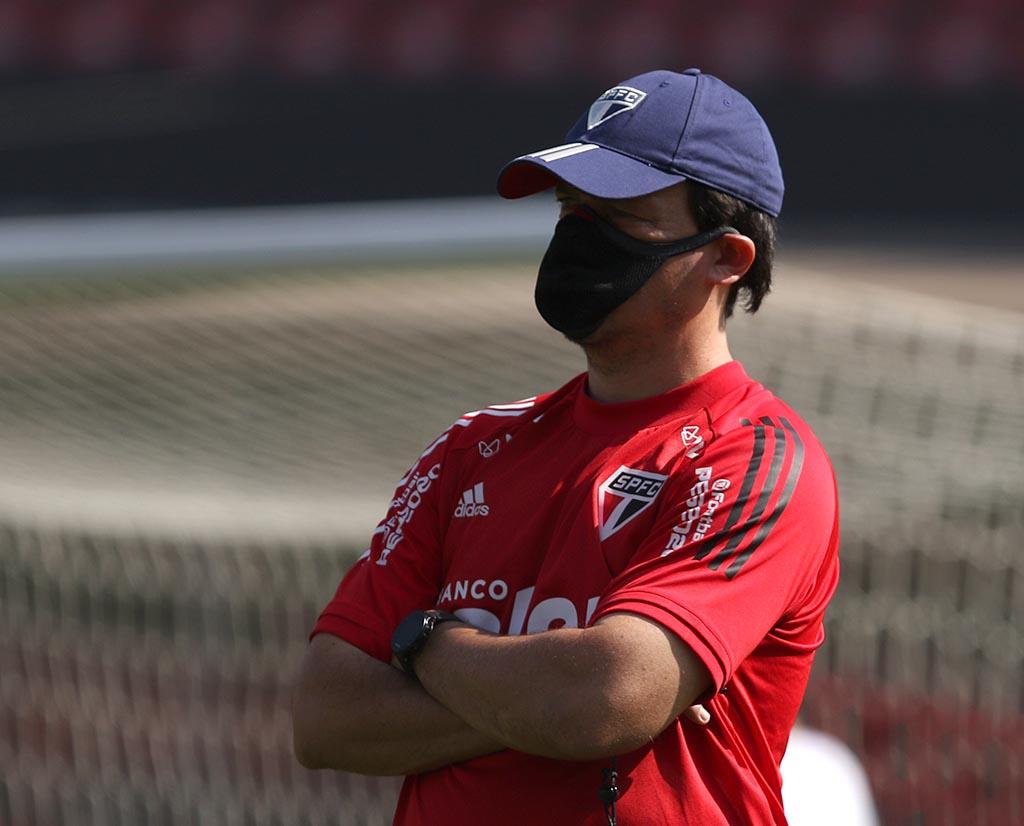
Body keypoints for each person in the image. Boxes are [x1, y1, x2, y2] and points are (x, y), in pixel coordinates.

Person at [292, 68, 840, 826]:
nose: (579, 232)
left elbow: (606, 698)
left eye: (620, 213)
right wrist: (547, 699)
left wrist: (423, 643)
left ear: (727, 258)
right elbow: (325, 716)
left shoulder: (754, 458)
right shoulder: (473, 448)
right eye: (572, 207)